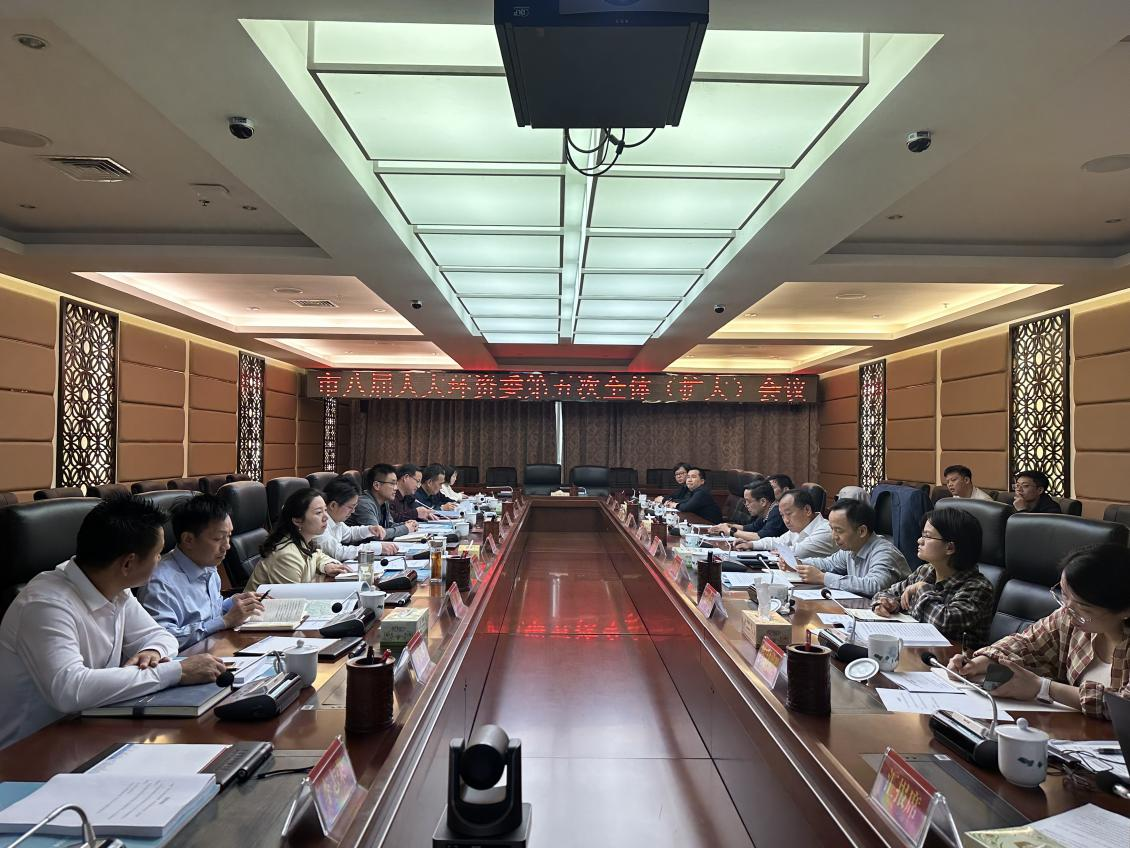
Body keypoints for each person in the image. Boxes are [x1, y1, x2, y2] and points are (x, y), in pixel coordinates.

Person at [0, 495, 227, 748]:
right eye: (157, 554)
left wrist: (152, 652)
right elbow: (70, 689)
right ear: (128, 563)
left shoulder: (115, 586)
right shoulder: (45, 605)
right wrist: (176, 671)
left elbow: (161, 636)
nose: (160, 560)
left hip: (90, 728)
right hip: (28, 751)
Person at [949, 544, 1130, 718]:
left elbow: (1122, 706)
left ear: (1125, 610)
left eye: (1083, 608)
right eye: (1064, 594)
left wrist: (1043, 687)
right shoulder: (1068, 617)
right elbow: (1025, 643)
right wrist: (978, 663)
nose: (1067, 610)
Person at [139, 494, 264, 648]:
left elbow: (208, 612)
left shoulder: (207, 564)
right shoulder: (159, 583)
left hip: (214, 649)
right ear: (188, 540)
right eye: (218, 538)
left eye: (229, 536)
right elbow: (163, 640)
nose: (227, 546)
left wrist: (232, 603)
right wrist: (225, 621)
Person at [871, 509, 994, 648]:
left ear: (950, 548)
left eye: (927, 536)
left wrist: (922, 589)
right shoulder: (925, 571)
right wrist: (885, 603)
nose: (919, 540)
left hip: (953, 658)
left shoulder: (978, 587)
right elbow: (885, 593)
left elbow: (944, 623)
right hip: (916, 649)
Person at [795, 499, 910, 596]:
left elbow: (875, 586)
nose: (834, 536)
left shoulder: (884, 552)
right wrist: (797, 563)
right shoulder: (851, 548)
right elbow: (828, 564)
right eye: (832, 529)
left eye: (839, 530)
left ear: (862, 531)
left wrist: (822, 578)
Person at [245, 488, 350, 591]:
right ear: (297, 521)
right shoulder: (286, 555)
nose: (326, 517)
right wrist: (323, 580)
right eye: (318, 512)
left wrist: (326, 565)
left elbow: (317, 555)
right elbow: (295, 596)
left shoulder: (304, 539)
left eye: (325, 510)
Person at [736, 489, 837, 559]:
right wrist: (751, 544)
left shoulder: (826, 530)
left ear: (807, 510)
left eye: (788, 514)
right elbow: (777, 542)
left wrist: (777, 551)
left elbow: (797, 552)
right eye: (782, 515)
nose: (786, 520)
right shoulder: (799, 527)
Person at [316, 477, 397, 561]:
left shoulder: (336, 521)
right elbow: (339, 553)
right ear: (333, 505)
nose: (353, 511)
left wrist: (370, 529)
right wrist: (376, 548)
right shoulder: (319, 525)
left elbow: (350, 533)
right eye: (350, 507)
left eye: (354, 507)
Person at [349, 463, 417, 539]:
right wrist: (405, 528)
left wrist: (406, 524)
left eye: (396, 484)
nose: (396, 488)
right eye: (392, 483)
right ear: (377, 485)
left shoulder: (384, 502)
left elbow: (388, 525)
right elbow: (377, 534)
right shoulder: (364, 504)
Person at [710, 482, 785, 541]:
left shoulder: (776, 512)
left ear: (763, 502)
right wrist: (728, 525)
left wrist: (729, 531)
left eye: (748, 501)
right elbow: (750, 528)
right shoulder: (765, 512)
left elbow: (759, 537)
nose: (746, 505)